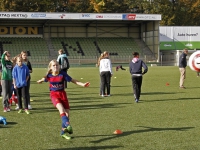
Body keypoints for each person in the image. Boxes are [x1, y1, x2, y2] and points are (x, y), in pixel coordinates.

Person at [37, 59, 90, 140]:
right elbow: (44, 79)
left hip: (63, 95)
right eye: (54, 65)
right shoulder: (49, 75)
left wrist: (82, 84)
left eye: (57, 65)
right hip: (54, 95)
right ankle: (68, 126)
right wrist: (39, 81)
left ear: (59, 66)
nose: (56, 67)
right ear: (51, 67)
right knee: (61, 110)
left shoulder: (62, 74)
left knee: (67, 115)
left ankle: (63, 133)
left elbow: (73, 80)